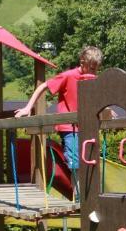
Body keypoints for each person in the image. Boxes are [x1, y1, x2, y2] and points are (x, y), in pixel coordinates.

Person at [15, 45, 102, 177]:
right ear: (82, 62)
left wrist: (105, 108)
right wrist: (28, 107)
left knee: (90, 162)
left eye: (96, 70)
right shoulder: (68, 76)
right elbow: (43, 86)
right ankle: (79, 197)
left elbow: (95, 99)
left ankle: (85, 197)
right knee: (77, 165)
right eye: (91, 68)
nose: (93, 73)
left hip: (86, 126)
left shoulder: (93, 79)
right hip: (69, 127)